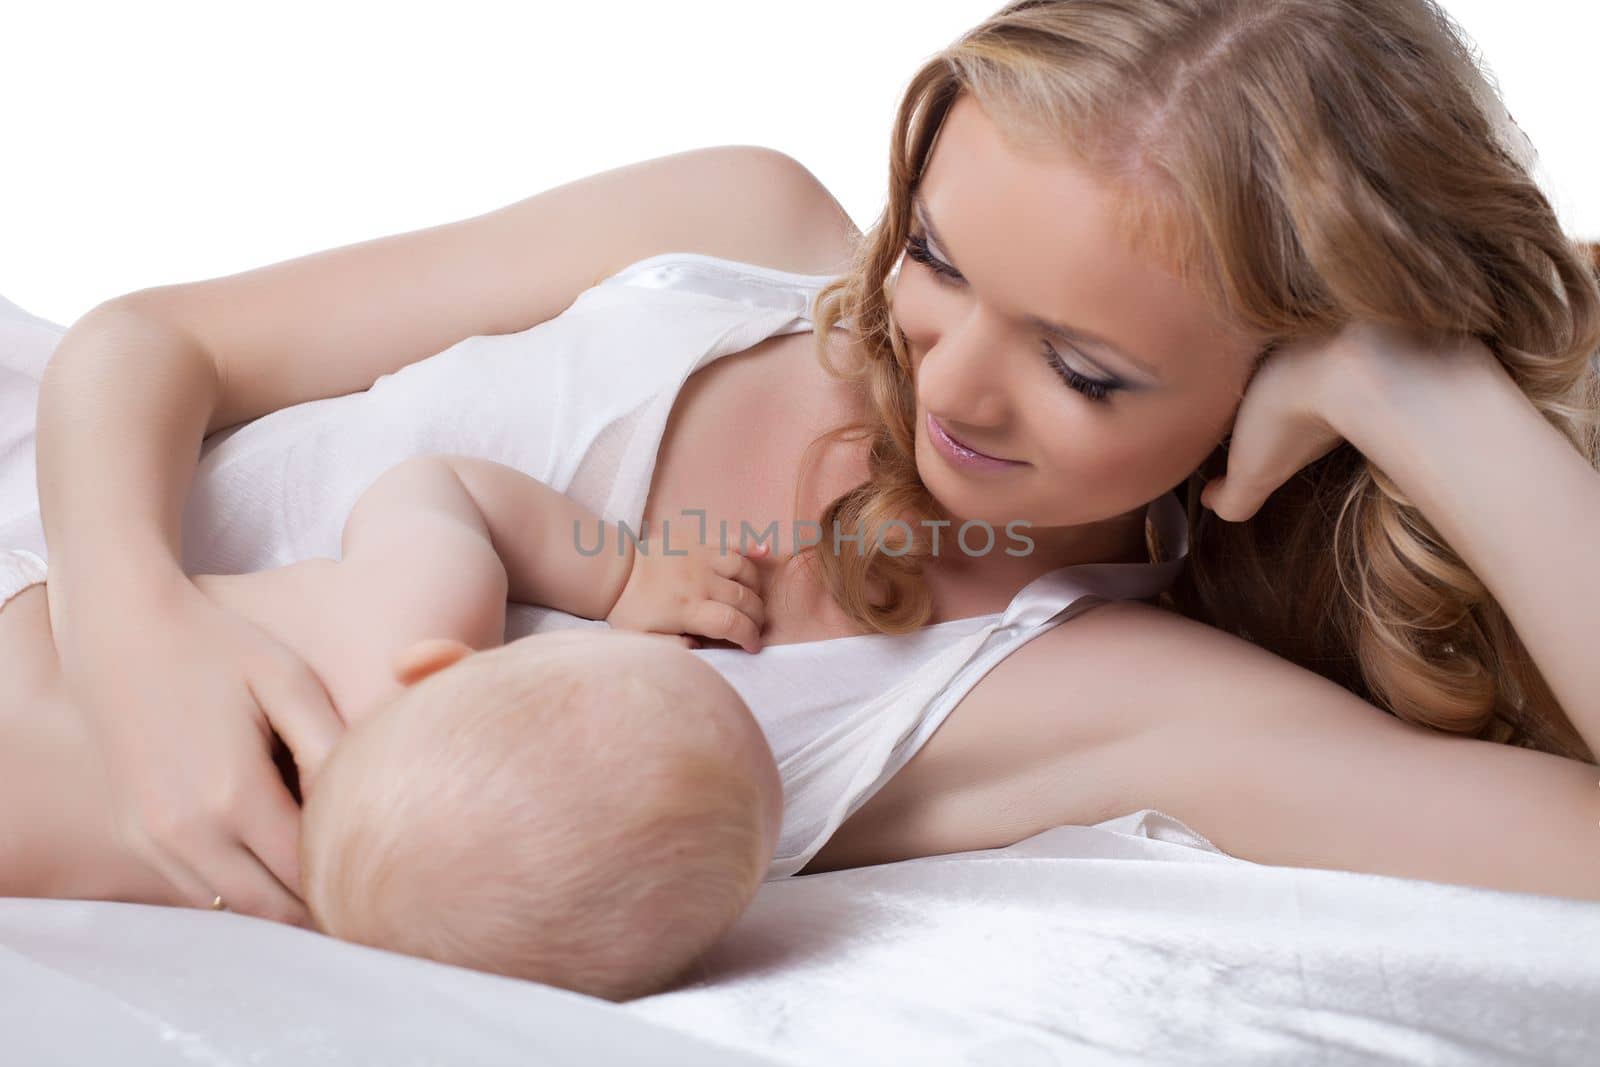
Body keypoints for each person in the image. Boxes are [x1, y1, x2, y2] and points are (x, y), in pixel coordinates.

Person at [5, 0, 1600, 926]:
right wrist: (139, 621)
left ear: (1278, 380)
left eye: (1085, 367)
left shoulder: (1107, 692)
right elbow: (153, 340)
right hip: (68, 503)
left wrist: (1427, 395)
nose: (950, 382)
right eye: (937, 254)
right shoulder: (732, 234)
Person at [3, 448, 783, 1002]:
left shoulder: (412, 623)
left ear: (439, 665)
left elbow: (431, 482)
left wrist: (624, 575)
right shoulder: (301, 916)